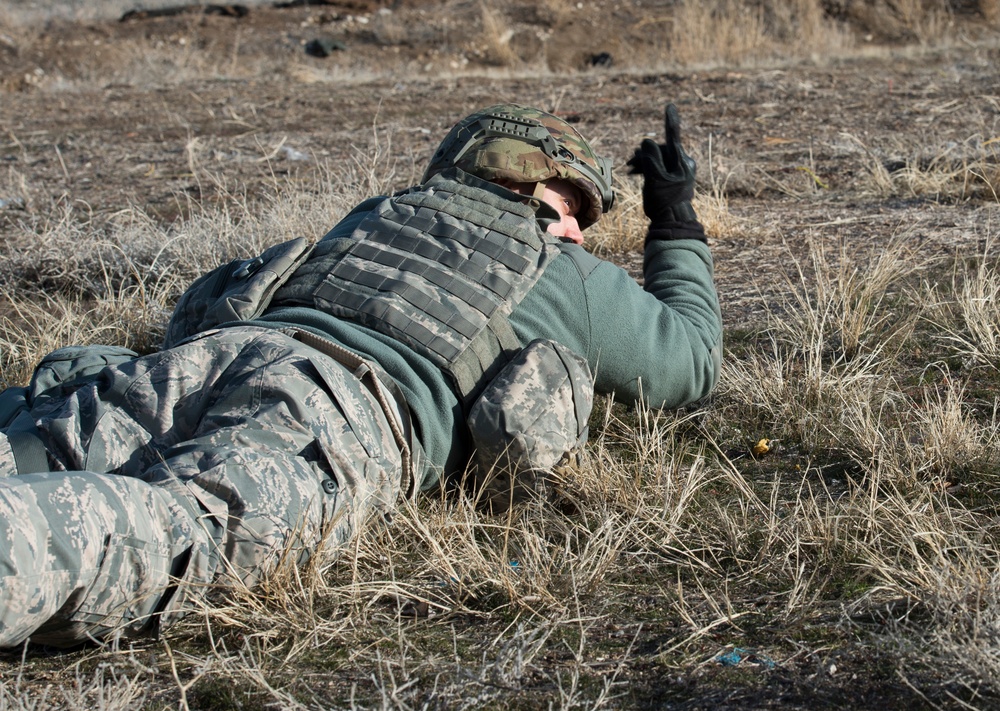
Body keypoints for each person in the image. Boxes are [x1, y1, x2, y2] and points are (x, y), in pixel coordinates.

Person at [0, 103, 721, 649]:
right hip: (340, 410)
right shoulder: (565, 272)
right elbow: (691, 364)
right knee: (175, 537)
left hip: (197, 362)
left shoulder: (375, 215)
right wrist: (676, 218)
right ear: (538, 186)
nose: (580, 233)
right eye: (574, 210)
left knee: (37, 449)